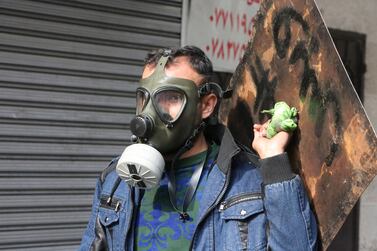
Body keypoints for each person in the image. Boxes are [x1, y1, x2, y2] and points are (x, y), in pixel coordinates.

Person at [79, 46, 318, 250]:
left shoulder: (249, 181)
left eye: (170, 98)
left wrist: (274, 162)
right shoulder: (116, 181)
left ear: (206, 105)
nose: (148, 114)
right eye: (145, 99)